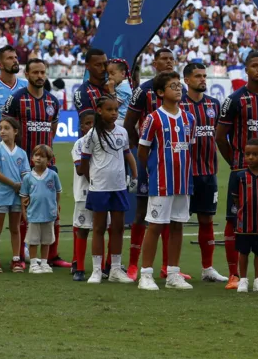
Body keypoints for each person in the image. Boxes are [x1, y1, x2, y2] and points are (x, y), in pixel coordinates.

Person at [215, 50, 258, 288]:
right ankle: (234, 274)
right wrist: (235, 162)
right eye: (254, 65)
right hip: (241, 171)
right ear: (246, 69)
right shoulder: (234, 100)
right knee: (235, 218)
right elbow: (220, 137)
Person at [1, 57, 67, 268]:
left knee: (53, 209)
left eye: (43, 72)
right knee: (24, 210)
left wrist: (45, 154)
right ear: (27, 74)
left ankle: (52, 256)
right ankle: (19, 256)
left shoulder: (52, 102)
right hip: (23, 165)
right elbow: (6, 128)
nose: (40, 76)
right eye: (35, 72)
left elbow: (52, 130)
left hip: (48, 164)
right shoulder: (16, 99)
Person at [136, 70, 195, 291]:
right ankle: (146, 274)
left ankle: (173, 273)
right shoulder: (153, 118)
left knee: (177, 225)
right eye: (173, 86)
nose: (178, 88)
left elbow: (190, 148)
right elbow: (142, 151)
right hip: (161, 181)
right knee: (155, 226)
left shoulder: (189, 118)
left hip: (183, 181)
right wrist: (154, 170)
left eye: (179, 85)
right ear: (161, 92)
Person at [124, 47, 174, 279]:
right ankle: (134, 265)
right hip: (149, 161)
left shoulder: (178, 90)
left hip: (173, 162)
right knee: (142, 210)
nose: (169, 63)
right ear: (154, 64)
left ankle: (167, 267)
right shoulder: (143, 91)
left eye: (171, 59)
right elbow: (128, 125)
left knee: (170, 213)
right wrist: (140, 154)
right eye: (164, 59)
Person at [80, 93, 137, 285]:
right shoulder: (93, 134)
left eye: (116, 110)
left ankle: (115, 269)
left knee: (118, 228)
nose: (114, 113)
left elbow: (128, 154)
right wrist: (93, 181)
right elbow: (84, 163)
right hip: (100, 188)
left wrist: (135, 175)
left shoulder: (122, 132)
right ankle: (96, 270)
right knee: (99, 227)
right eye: (109, 110)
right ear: (99, 111)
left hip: (119, 187)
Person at [179, 62, 226, 283]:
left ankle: (207, 269)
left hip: (208, 172)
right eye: (198, 76)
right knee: (177, 221)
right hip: (184, 173)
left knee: (206, 219)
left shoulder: (214, 104)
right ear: (186, 80)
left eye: (204, 76)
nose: (202, 80)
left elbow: (219, 135)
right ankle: (172, 268)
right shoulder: (178, 104)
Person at [230, 139, 258, 293]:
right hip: (244, 222)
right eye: (248, 154)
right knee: (243, 252)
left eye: (255, 154)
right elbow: (235, 198)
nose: (251, 157)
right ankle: (243, 279)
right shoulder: (240, 176)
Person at [0, 116, 28, 273]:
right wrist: (14, 184)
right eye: (0, 128)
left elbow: (26, 174)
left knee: (15, 228)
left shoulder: (22, 153)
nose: (2, 131)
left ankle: (16, 259)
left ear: (15, 131)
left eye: (6, 128)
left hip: (16, 196)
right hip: (0, 195)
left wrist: (25, 190)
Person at [20, 144, 62, 274]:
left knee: (46, 240)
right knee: (33, 240)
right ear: (32, 158)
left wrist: (56, 208)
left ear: (49, 160)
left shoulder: (53, 175)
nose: (38, 158)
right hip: (33, 213)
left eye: (42, 156)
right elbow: (24, 196)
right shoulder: (27, 177)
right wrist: (24, 212)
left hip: (49, 213)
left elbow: (58, 192)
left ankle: (44, 263)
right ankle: (33, 264)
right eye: (36, 155)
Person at [70, 110, 95, 281]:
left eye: (93, 123)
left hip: (104, 191)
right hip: (85, 193)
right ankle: (79, 267)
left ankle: (107, 266)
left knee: (105, 228)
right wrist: (97, 182)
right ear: (81, 127)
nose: (91, 126)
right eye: (87, 123)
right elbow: (81, 169)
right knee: (82, 229)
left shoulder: (105, 141)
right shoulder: (79, 144)